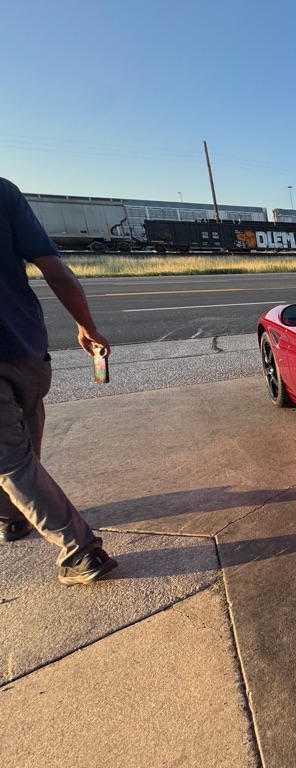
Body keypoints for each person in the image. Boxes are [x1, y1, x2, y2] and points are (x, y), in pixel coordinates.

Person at [0, 176, 117, 584]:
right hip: (26, 345)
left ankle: (80, 552)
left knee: (12, 457)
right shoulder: (3, 192)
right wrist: (87, 326)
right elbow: (55, 269)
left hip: (22, 348)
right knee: (20, 449)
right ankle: (13, 517)